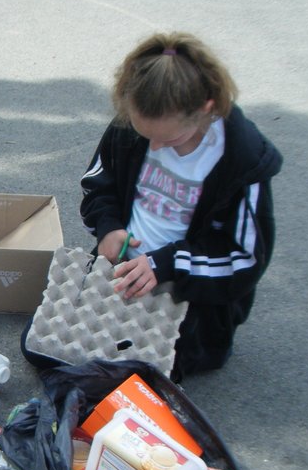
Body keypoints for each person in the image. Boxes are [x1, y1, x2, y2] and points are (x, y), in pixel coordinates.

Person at [78, 32, 283, 380]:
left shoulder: (241, 161)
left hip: (191, 288)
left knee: (142, 372)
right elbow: (99, 184)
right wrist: (109, 226)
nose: (154, 147)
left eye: (170, 139)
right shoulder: (133, 125)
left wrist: (166, 265)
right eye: (146, 136)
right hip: (125, 267)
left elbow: (244, 261)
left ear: (206, 108)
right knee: (45, 348)